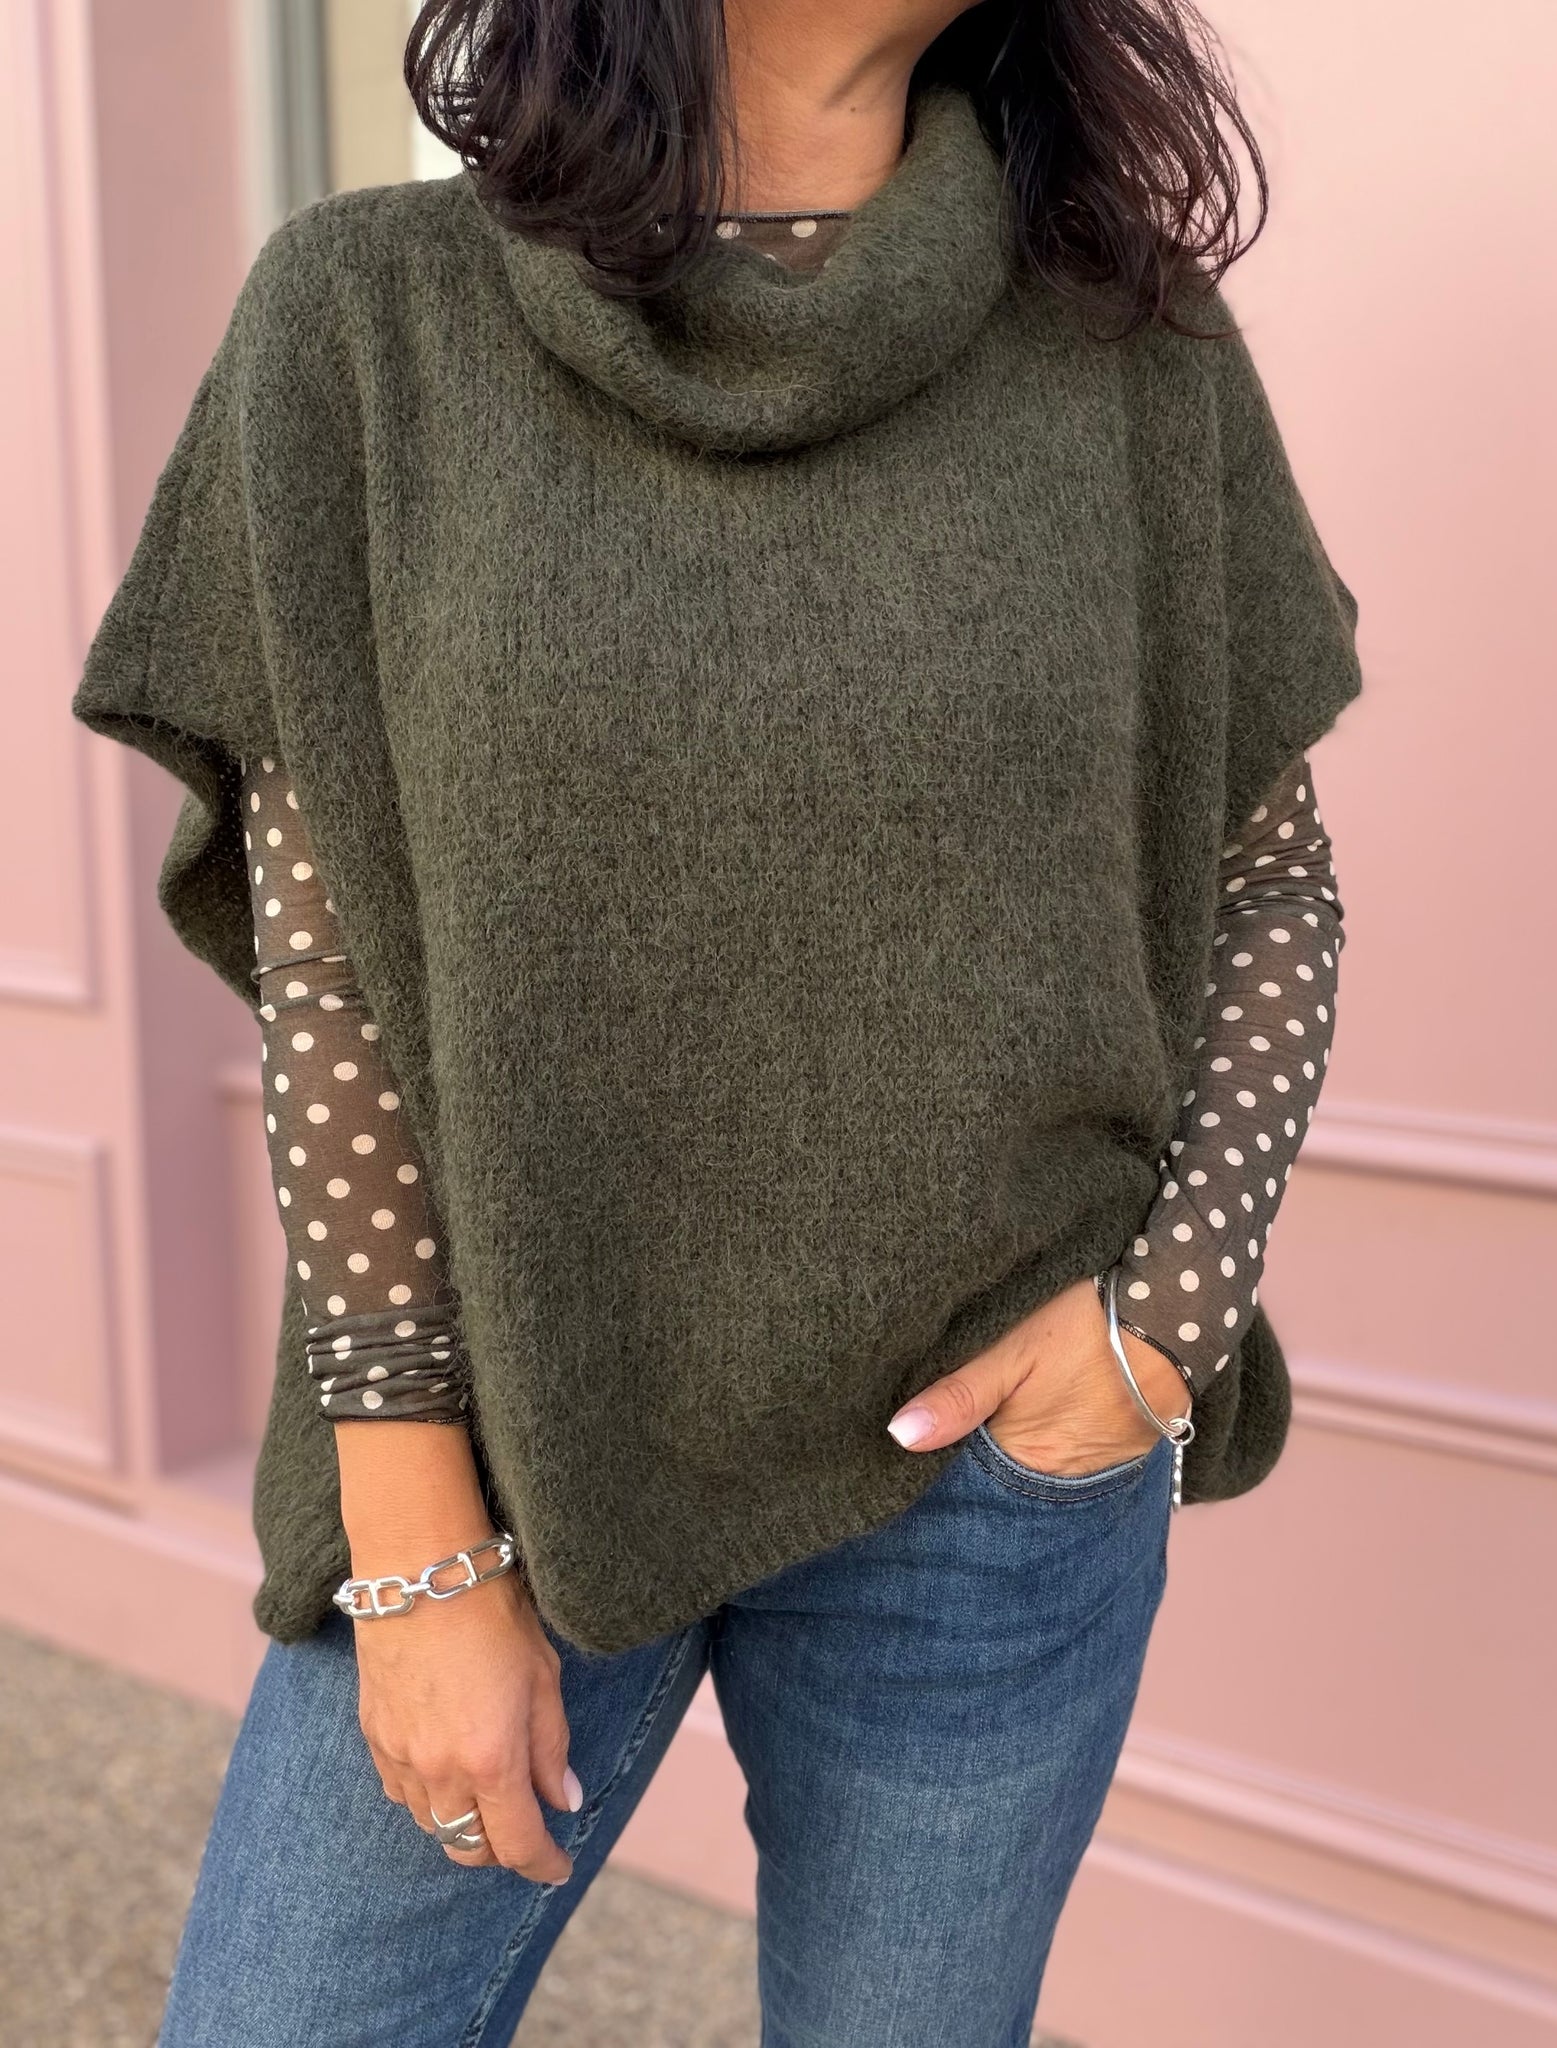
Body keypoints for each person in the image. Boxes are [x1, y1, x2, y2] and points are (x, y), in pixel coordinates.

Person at [70, 1, 1364, 2041]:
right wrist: (414, 1543)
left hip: (989, 1477)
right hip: (507, 1444)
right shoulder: (368, 321)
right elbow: (337, 977)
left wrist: (1159, 1333)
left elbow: (1265, 881)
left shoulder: (1126, 345)